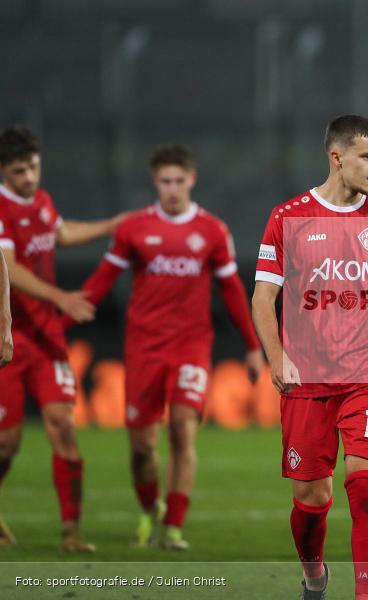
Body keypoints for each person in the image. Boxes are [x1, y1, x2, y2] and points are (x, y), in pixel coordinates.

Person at [252, 115, 368, 600]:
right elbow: (263, 299)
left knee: (365, 487)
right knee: (311, 499)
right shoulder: (289, 218)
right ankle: (313, 576)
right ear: (336, 157)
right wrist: (277, 358)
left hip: (365, 375)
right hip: (306, 379)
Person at [70, 144, 264, 550]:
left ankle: (173, 526)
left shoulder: (212, 230)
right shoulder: (135, 228)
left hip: (192, 346)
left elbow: (231, 291)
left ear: (191, 180)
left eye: (179, 181)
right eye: (165, 181)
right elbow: (103, 279)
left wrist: (251, 345)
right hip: (143, 349)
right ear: (155, 182)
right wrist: (60, 320)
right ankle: (148, 511)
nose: (173, 188)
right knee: (141, 448)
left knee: (181, 430)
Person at [0, 125, 124, 552]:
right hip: (8, 340)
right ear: (3, 171)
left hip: (47, 338)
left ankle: (72, 531)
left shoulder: (40, 202)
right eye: (19, 171)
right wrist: (60, 297)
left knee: (64, 428)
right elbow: (9, 268)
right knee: (6, 443)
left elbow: (60, 234)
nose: (29, 178)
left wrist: (111, 224)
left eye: (33, 167)